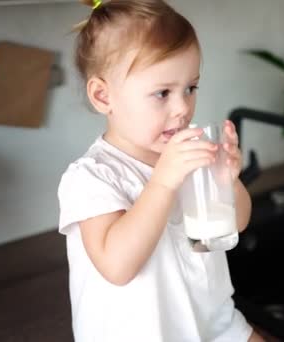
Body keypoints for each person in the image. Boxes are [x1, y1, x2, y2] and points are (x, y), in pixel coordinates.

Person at [57, 0, 265, 341]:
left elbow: (236, 223)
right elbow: (117, 265)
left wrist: (228, 182)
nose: (183, 107)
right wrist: (164, 182)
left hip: (213, 325)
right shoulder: (91, 177)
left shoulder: (188, 152)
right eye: (162, 93)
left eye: (190, 88)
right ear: (103, 96)